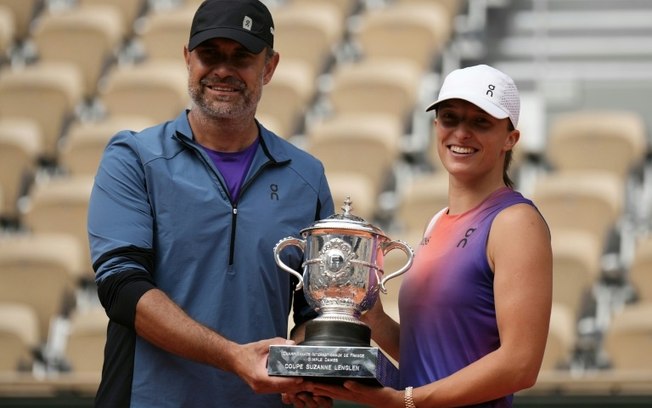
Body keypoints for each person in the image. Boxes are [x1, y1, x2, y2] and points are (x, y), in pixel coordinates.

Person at [87, 0, 335, 406]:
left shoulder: (305, 177)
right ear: (188, 59)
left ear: (269, 67)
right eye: (210, 55)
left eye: (241, 56)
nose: (224, 70)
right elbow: (121, 287)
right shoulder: (133, 158)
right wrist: (233, 358)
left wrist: (306, 368)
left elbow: (316, 313)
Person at [307, 64, 553, 407]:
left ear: (510, 139)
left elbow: (520, 365)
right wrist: (372, 318)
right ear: (436, 127)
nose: (461, 133)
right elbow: (427, 352)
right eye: (450, 118)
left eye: (480, 121)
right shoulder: (437, 221)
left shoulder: (515, 223)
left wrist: (408, 401)